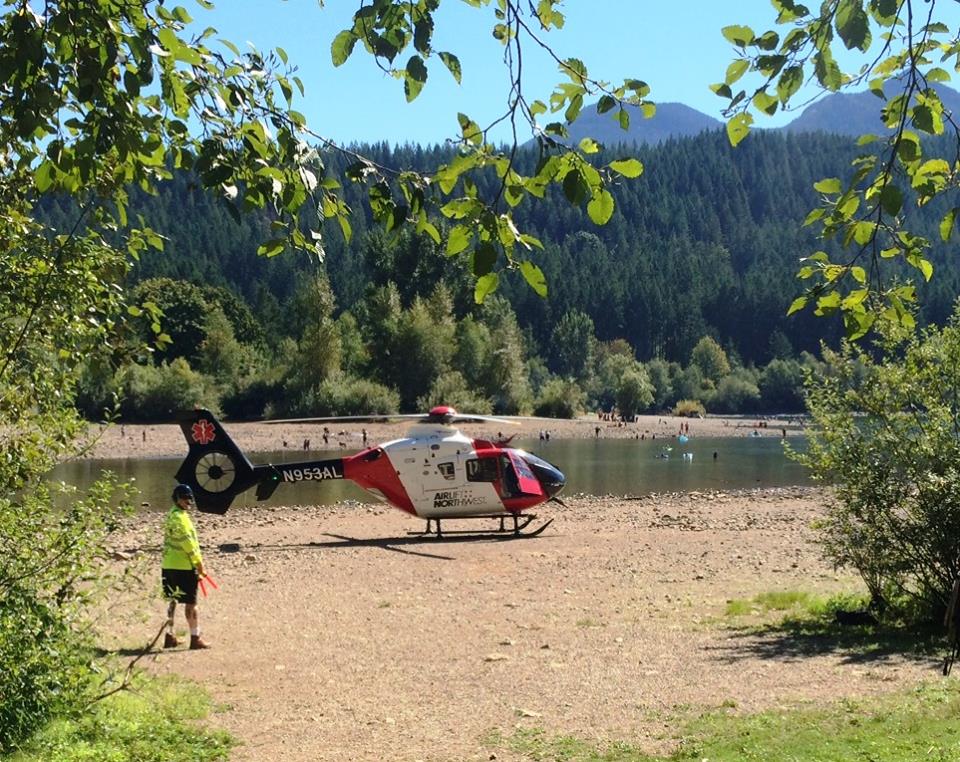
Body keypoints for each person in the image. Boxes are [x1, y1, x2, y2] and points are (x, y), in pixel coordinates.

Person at [161, 484, 210, 650]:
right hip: (184, 567)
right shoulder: (180, 518)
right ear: (177, 499)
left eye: (189, 499)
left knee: (172, 601)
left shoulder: (171, 515)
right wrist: (199, 564)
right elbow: (188, 544)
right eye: (185, 498)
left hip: (168, 565)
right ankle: (195, 638)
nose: (188, 501)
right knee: (191, 603)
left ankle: (169, 636)